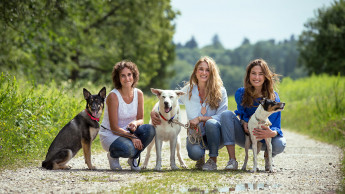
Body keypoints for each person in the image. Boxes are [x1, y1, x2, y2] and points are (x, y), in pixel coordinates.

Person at [151, 56, 228, 171]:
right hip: (195, 136)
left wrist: (200, 118)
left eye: (207, 70)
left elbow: (223, 116)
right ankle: (200, 157)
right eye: (201, 69)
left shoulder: (220, 91)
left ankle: (213, 160)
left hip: (216, 135)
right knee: (194, 154)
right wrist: (153, 111)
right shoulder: (188, 90)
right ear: (196, 71)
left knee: (211, 123)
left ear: (212, 73)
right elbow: (169, 99)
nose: (204, 72)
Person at [220, 58, 286, 171]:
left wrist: (271, 133)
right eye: (253, 73)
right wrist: (243, 121)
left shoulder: (273, 97)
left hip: (264, 137)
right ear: (248, 75)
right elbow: (241, 113)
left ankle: (268, 158)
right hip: (246, 136)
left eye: (261, 74)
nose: (256, 77)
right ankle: (232, 160)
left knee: (280, 143)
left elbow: (276, 124)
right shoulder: (241, 93)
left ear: (265, 76)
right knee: (226, 114)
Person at [99, 60, 155, 171]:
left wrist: (135, 123)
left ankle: (133, 158)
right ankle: (113, 156)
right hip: (111, 134)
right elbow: (114, 128)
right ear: (118, 78)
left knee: (150, 130)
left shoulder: (139, 94)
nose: (127, 78)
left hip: (128, 132)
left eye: (129, 75)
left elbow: (141, 119)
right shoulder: (113, 96)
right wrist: (133, 137)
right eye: (123, 76)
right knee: (129, 149)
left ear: (134, 76)